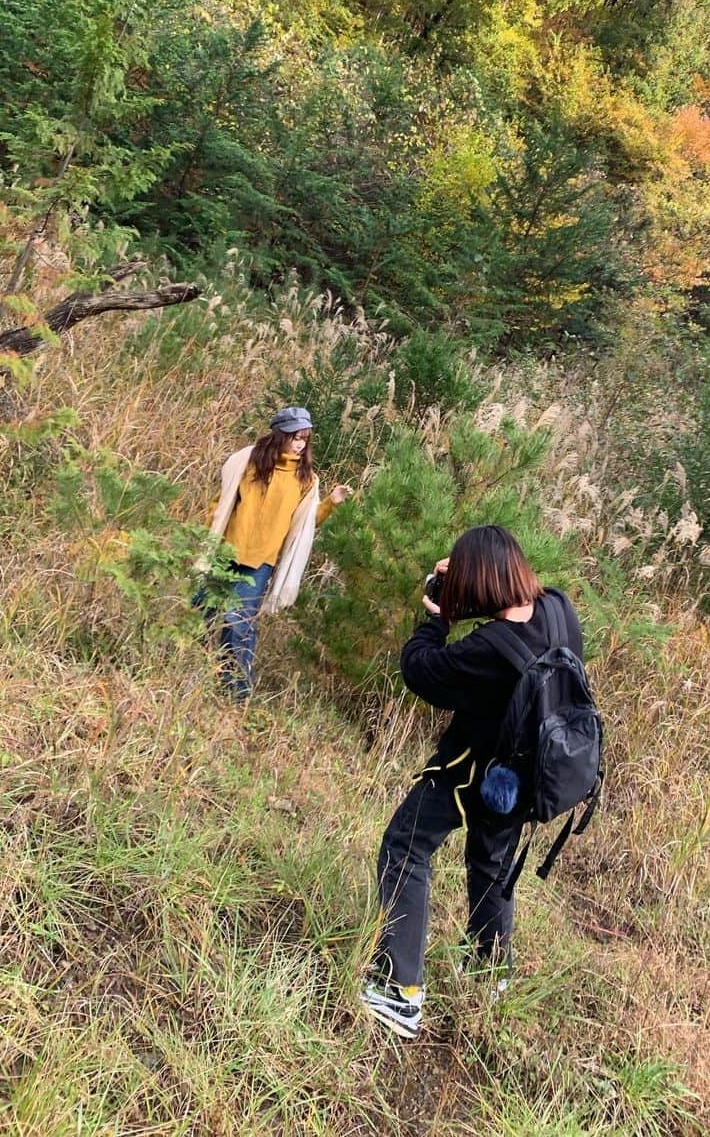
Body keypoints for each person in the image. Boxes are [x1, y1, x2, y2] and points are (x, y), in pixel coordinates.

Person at [360, 525, 583, 1039]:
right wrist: (467, 581)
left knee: (405, 845)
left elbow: (421, 671)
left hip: (473, 772)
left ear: (479, 584)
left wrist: (437, 618)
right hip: (532, 777)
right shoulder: (558, 608)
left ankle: (400, 992)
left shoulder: (487, 647)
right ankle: (488, 976)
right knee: (492, 863)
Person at [200, 405, 351, 699]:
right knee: (201, 608)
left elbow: (305, 524)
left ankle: (237, 692)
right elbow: (222, 501)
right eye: (295, 437)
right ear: (280, 435)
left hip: (259, 562)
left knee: (239, 623)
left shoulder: (306, 479)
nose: (300, 444)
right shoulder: (249, 462)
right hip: (226, 552)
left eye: (305, 439)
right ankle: (188, 665)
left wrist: (330, 503)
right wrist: (208, 535)